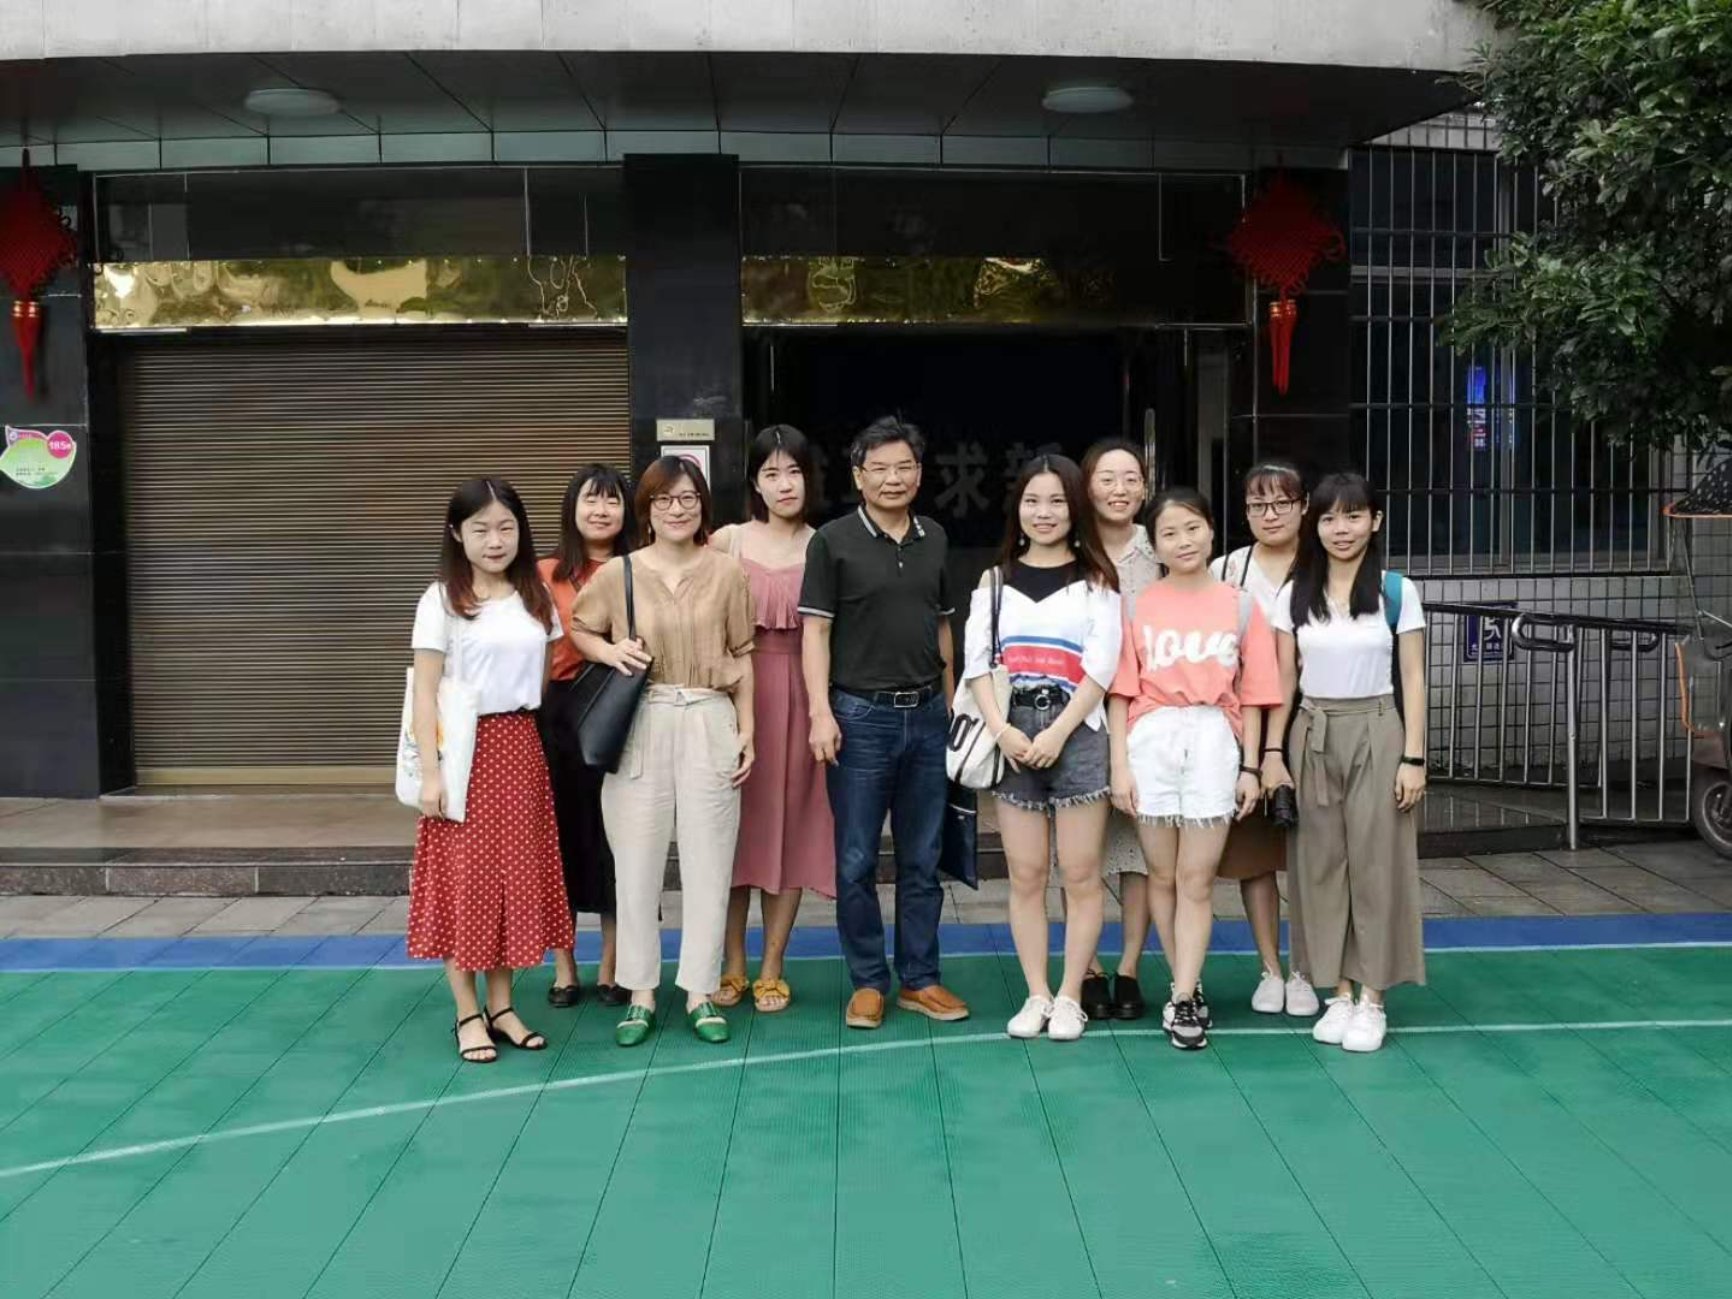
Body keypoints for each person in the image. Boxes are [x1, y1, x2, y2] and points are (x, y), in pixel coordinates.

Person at [570, 457, 756, 1048]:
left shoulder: (727, 572)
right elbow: (580, 627)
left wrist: (747, 730)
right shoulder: (620, 571)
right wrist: (609, 653)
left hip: (709, 714)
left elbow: (742, 654)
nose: (678, 509)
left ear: (704, 506)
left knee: (710, 861)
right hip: (641, 719)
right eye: (664, 500)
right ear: (646, 510)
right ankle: (641, 992)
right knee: (636, 863)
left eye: (688, 498)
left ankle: (700, 990)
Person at [800, 415, 970, 1030]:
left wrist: (951, 706)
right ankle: (868, 981)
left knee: (923, 857)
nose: (892, 478)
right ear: (858, 476)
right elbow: (815, 632)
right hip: (859, 717)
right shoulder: (832, 541)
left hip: (927, 717)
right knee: (856, 860)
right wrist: (820, 712)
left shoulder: (935, 537)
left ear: (920, 474)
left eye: (904, 467)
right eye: (879, 468)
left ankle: (920, 979)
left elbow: (943, 625)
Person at [1109, 487, 1281, 1051]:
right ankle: (1186, 981)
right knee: (1161, 876)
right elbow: (1120, 691)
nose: (1183, 541)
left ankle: (1183, 995)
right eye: (1169, 533)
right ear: (1154, 544)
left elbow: (1255, 693)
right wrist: (1119, 767)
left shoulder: (1241, 605)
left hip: (1213, 740)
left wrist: (1250, 767)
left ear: (1211, 530)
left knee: (1196, 879)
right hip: (1151, 741)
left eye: (1192, 528)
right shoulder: (1137, 605)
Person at [407, 477, 572, 1065]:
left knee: (511, 881)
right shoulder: (440, 600)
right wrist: (432, 773)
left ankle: (502, 1008)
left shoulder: (535, 595)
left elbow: (544, 675)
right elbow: (425, 694)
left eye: (505, 527)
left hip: (521, 747)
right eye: (480, 529)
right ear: (457, 534)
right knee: (466, 884)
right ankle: (467, 1014)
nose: (495, 540)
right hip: (464, 752)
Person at [1263, 472, 1428, 1055]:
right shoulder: (1293, 594)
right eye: (1330, 517)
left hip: (1378, 728)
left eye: (1354, 516)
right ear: (1315, 524)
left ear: (1375, 521)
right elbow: (1284, 682)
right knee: (1318, 866)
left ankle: (1373, 999)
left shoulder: (1396, 591)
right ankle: (1337, 993)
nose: (1341, 529)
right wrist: (1272, 754)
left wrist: (1414, 757)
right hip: (1311, 730)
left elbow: (1413, 677)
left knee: (1377, 865)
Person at [964, 455, 1121, 1041]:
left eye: (1057, 501)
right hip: (1012, 731)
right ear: (1019, 509)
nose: (1044, 512)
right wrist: (1002, 730)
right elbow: (977, 665)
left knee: (1080, 875)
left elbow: (1101, 667)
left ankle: (1072, 995)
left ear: (1075, 508)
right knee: (1026, 875)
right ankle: (1036, 993)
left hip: (1078, 732)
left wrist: (1058, 732)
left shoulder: (1098, 582)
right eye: (1033, 501)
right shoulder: (994, 582)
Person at [711, 426, 835, 1015]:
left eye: (795, 472)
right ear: (755, 484)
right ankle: (731, 963)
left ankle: (772, 967)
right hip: (733, 696)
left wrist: (822, 711)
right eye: (771, 473)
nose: (785, 484)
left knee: (790, 831)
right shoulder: (727, 541)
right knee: (730, 833)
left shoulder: (827, 545)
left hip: (803, 698)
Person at [1208, 460, 1320, 1019]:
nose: (1269, 515)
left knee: (1313, 852)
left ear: (1304, 506)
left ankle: (1306, 970)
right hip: (1243, 725)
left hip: (1316, 717)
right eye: (1257, 505)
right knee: (1255, 854)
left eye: (1281, 503)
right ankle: (1271, 969)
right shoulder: (1228, 569)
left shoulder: (1326, 562)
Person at [537, 464, 635, 1010]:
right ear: (572, 510)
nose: (601, 511)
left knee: (618, 842)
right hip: (554, 717)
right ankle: (564, 968)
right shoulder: (543, 573)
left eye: (612, 500)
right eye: (591, 501)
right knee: (560, 841)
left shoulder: (640, 567)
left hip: (621, 713)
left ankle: (613, 967)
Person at [1078, 439, 1161, 1022]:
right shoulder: (1068, 549)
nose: (1119, 489)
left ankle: (1129, 967)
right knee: (1079, 855)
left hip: (1150, 720)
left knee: (1140, 854)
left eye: (1130, 478)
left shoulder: (1162, 548)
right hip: (1079, 720)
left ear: (1145, 487)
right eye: (1107, 478)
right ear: (1087, 487)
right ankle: (1086, 967)